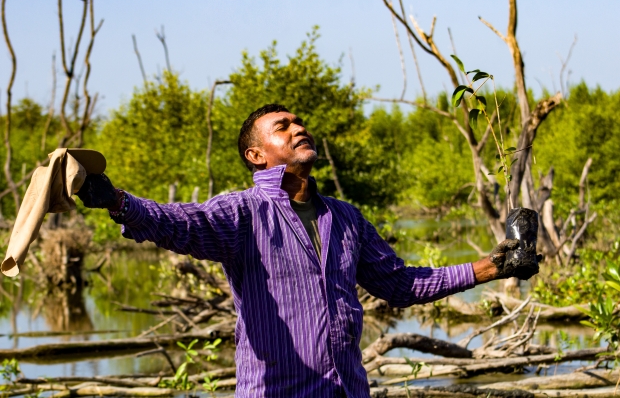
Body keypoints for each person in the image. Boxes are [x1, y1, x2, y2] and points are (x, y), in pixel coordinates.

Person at [77, 104, 536, 398]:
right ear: (257, 156)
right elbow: (180, 223)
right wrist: (118, 201)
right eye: (283, 127)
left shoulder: (346, 217)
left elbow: (400, 284)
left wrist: (492, 265)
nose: (299, 128)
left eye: (299, 122)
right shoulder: (244, 214)